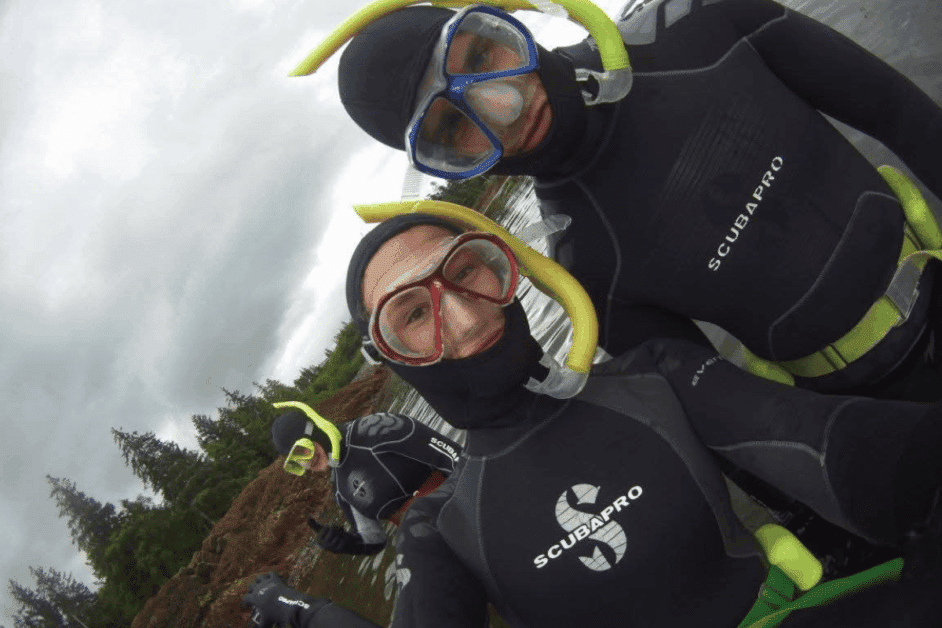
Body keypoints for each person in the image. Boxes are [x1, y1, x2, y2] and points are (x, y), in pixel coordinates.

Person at [243, 213, 942, 627]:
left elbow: (858, 452)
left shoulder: (654, 377)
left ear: (508, 271)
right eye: (412, 314)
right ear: (391, 357)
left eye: (467, 271)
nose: (462, 315)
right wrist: (305, 607)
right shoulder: (442, 531)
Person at [325, 0, 942, 403]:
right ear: (445, 163)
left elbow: (897, 110)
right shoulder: (583, 261)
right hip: (880, 401)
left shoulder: (692, 25)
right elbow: (724, 407)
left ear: (506, 22)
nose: (504, 108)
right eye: (451, 127)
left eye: (484, 56)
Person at [270, 401, 461, 555]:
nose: (307, 462)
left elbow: (456, 458)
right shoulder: (340, 489)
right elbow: (375, 540)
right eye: (297, 461)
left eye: (303, 450)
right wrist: (346, 544)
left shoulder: (375, 429)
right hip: (436, 545)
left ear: (315, 428)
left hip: (463, 508)